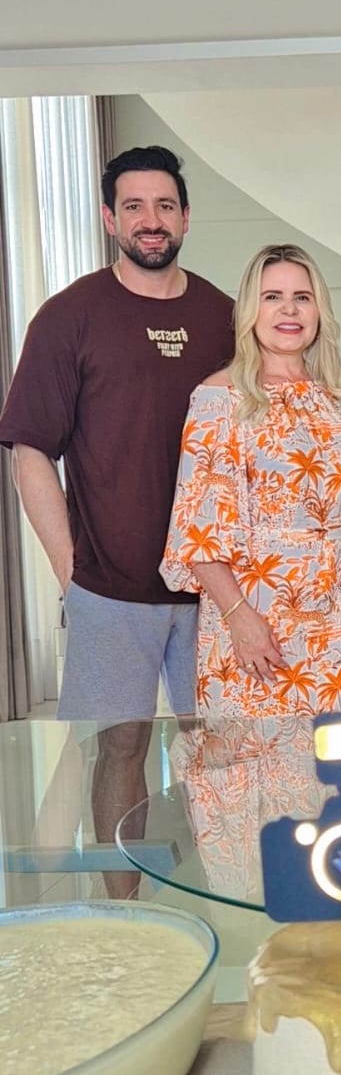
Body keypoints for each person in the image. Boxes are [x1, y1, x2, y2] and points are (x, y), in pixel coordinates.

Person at [0, 144, 234, 894]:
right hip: (110, 589)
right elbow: (30, 451)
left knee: (222, 751)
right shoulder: (70, 316)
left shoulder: (225, 317)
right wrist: (71, 571)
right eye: (133, 206)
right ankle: (123, 914)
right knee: (119, 748)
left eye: (164, 205)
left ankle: (220, 895)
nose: (150, 220)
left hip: (216, 591)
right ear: (109, 218)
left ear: (186, 216)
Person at [161, 243, 341, 718]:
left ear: (319, 310)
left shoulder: (337, 399)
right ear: (250, 310)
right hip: (259, 616)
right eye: (272, 297)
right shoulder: (219, 399)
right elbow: (199, 535)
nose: (289, 309)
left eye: (302, 297)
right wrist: (239, 619)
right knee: (261, 755)